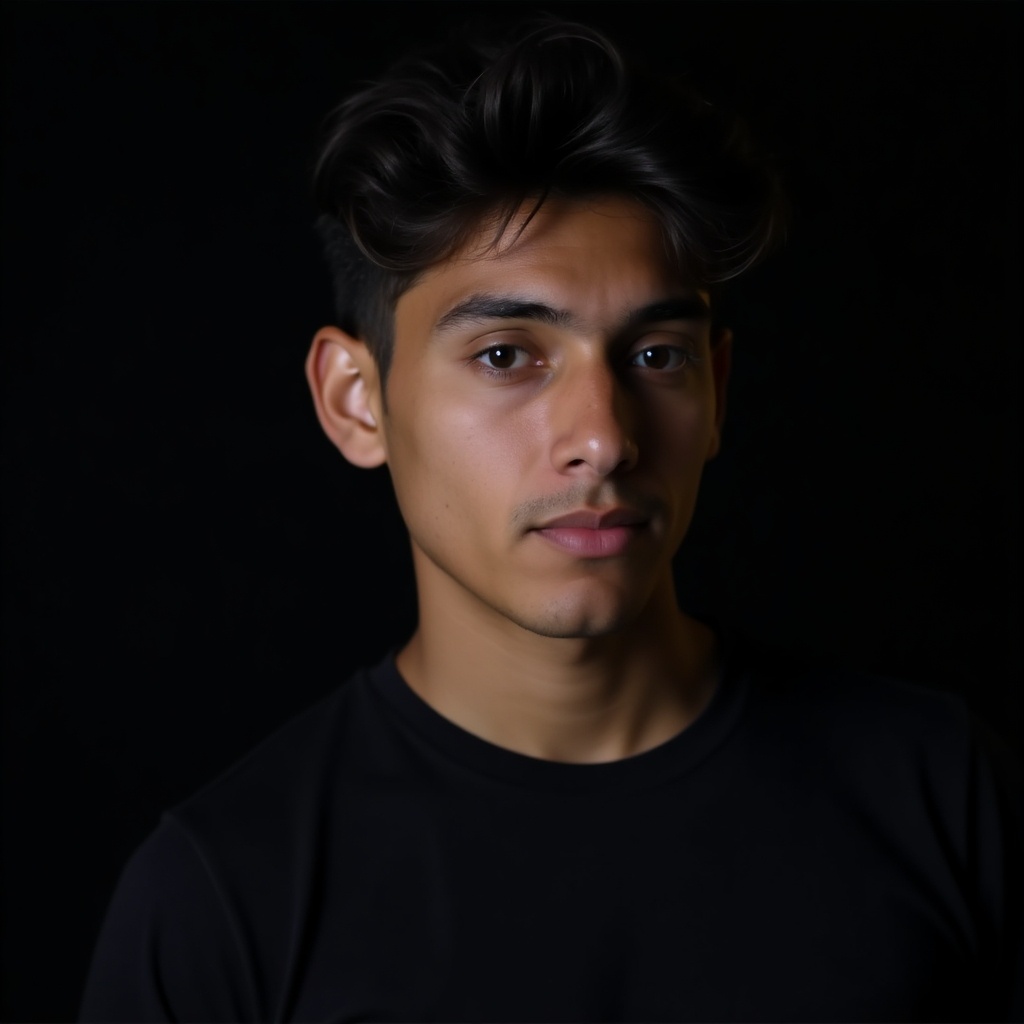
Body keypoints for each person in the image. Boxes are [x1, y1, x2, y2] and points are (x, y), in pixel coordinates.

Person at [80, 16, 1022, 1022]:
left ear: (718, 390)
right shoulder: (224, 895)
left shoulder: (935, 791)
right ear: (357, 400)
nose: (603, 437)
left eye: (656, 356)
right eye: (505, 355)